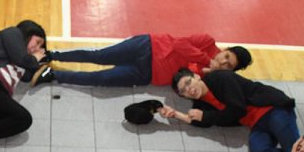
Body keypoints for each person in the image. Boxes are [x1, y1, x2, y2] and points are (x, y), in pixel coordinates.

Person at [167, 67, 299, 152]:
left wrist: (205, 116)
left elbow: (238, 109)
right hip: (256, 125)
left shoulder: (220, 78)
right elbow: (202, 121)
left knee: (295, 150)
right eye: (183, 91)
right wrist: (176, 114)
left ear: (196, 76)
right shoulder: (200, 103)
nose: (189, 89)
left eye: (188, 82)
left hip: (272, 109)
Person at [31, 33, 251, 88]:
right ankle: (52, 55)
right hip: (147, 46)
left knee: (101, 79)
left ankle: (53, 75)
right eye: (226, 57)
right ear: (225, 50)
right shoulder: (207, 41)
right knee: (99, 55)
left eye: (228, 66)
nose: (222, 63)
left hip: (147, 75)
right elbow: (179, 44)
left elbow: (182, 86)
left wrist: (208, 75)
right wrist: (205, 60)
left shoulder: (214, 77)